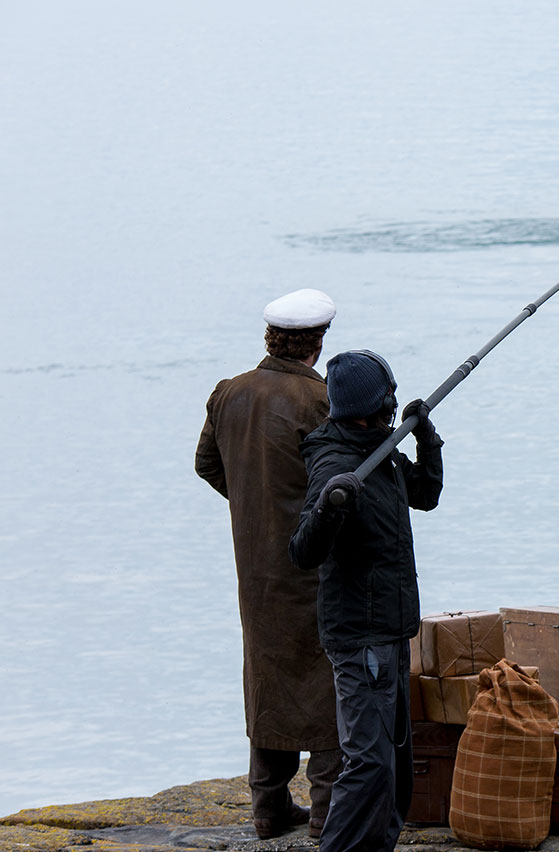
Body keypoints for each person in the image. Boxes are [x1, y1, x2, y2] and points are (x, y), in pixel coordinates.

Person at [194, 288, 341, 840]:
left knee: (268, 675)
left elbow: (207, 463)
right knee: (327, 677)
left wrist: (254, 501)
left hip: (254, 567)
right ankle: (327, 812)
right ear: (319, 341)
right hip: (314, 564)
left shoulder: (229, 393)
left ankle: (268, 807)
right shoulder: (321, 401)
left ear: (271, 339)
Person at [289, 350, 444, 852]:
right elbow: (302, 551)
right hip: (362, 637)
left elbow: (425, 494)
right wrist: (332, 505)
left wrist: (426, 437)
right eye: (391, 402)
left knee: (395, 761)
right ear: (374, 405)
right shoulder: (335, 461)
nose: (394, 409)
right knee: (370, 761)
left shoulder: (383, 450)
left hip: (395, 629)